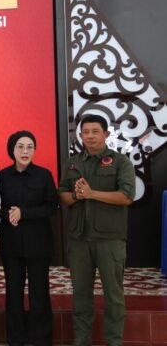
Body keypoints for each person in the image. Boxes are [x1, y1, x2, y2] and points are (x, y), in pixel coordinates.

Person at [58, 114, 135, 346]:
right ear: (80, 135)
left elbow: (126, 196)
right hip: (79, 239)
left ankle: (114, 341)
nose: (90, 136)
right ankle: (81, 339)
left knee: (114, 295)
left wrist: (92, 194)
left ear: (106, 134)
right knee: (81, 295)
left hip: (109, 239)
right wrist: (76, 196)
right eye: (85, 132)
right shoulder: (72, 163)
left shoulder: (120, 162)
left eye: (95, 131)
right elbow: (63, 195)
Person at [0, 131, 57, 346]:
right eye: (20, 146)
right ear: (12, 150)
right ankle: (16, 338)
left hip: (38, 243)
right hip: (11, 243)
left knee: (39, 291)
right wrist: (8, 214)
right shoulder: (2, 176)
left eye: (30, 147)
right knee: (13, 292)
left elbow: (52, 206)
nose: (25, 151)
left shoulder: (44, 175)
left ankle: (41, 339)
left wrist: (24, 213)